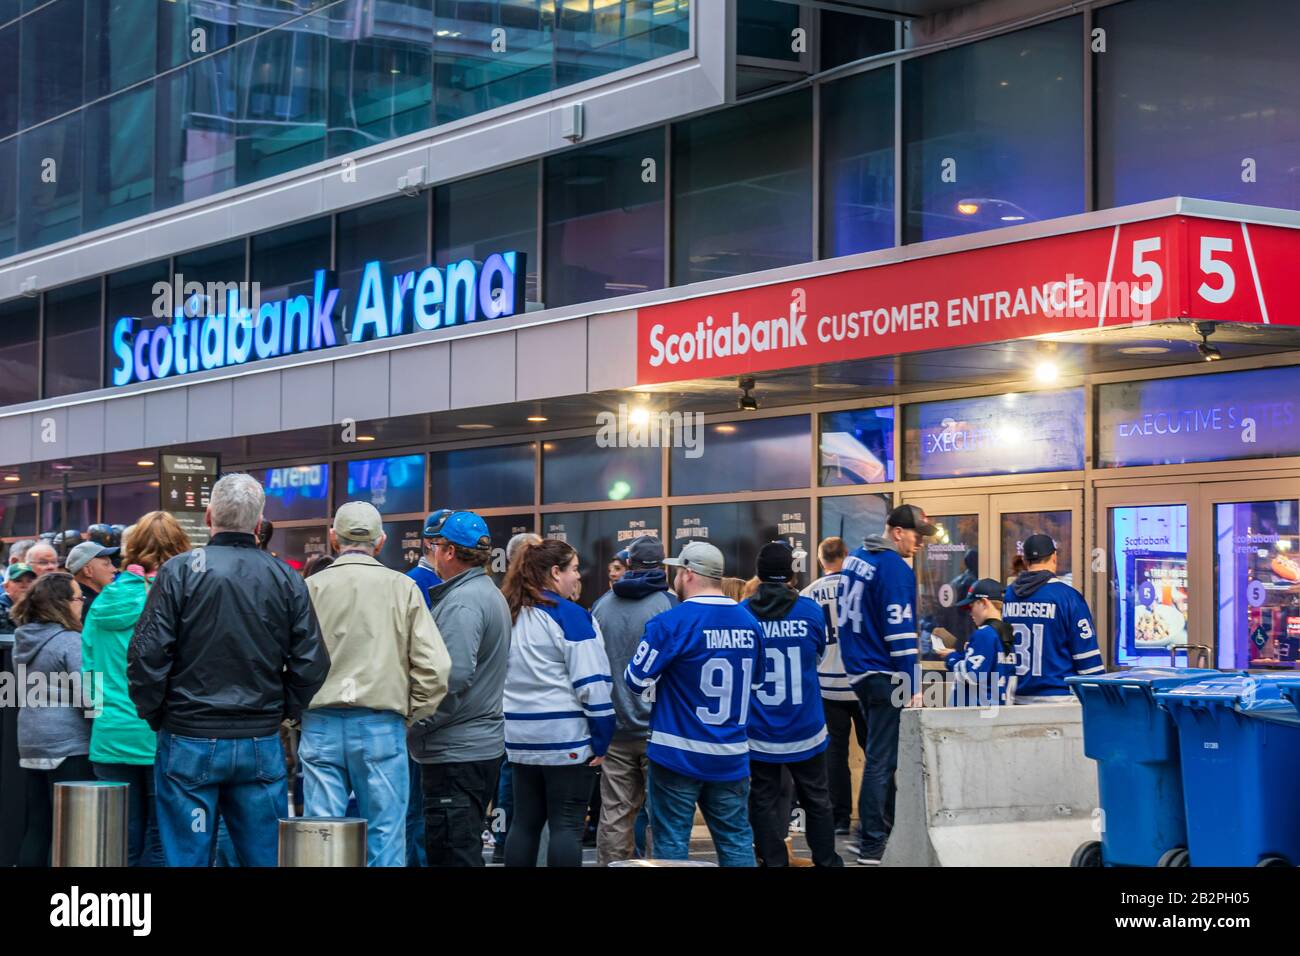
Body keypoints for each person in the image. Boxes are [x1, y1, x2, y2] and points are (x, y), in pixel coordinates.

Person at [128, 473, 330, 867]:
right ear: (258, 524)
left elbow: (146, 656)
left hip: (188, 734)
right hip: (259, 736)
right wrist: (284, 708)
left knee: (186, 855)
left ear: (207, 517)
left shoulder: (180, 571)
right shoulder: (285, 576)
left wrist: (158, 713)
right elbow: (311, 660)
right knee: (264, 856)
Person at [302, 501, 452, 867]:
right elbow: (436, 667)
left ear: (333, 538)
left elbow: (284, 660)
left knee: (322, 840)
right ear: (381, 540)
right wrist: (410, 712)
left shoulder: (309, 588)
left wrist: (294, 714)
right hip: (381, 723)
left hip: (319, 722)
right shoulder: (402, 588)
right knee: (385, 837)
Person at [625, 541, 763, 867]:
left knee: (671, 842)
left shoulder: (673, 622)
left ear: (688, 573)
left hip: (677, 752)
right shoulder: (749, 623)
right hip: (730, 753)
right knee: (736, 841)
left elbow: (635, 679)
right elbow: (755, 684)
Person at [81, 513, 191, 867]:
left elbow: (89, 675)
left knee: (117, 845)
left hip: (110, 735)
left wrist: (103, 714)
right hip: (162, 735)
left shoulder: (102, 601)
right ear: (179, 548)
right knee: (164, 842)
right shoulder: (177, 596)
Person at [407, 510, 512, 867]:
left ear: (449, 551)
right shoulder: (484, 593)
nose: (431, 553)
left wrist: (416, 724)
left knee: (453, 853)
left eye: (434, 545)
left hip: (455, 750)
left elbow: (450, 679)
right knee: (460, 847)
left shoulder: (463, 602)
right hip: (472, 747)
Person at [501, 539, 613, 867]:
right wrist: (603, 737)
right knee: (567, 827)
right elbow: (593, 686)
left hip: (519, 738)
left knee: (524, 823)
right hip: (566, 739)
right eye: (574, 569)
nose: (578, 577)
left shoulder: (511, 611)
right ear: (555, 572)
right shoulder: (572, 616)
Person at [837, 503, 934, 865]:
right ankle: (872, 843)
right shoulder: (895, 568)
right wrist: (912, 682)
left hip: (859, 670)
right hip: (883, 673)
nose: (919, 543)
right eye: (915, 535)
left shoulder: (858, 556)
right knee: (881, 760)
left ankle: (882, 833)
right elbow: (902, 635)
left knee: (880, 756)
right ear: (896, 532)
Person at [742, 541, 842, 868]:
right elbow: (819, 657)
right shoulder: (811, 610)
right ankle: (826, 860)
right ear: (790, 573)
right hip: (805, 725)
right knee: (817, 800)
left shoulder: (743, 614)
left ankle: (773, 862)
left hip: (760, 729)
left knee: (763, 800)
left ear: (758, 572)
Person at [590, 535, 677, 865]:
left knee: (614, 817)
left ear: (628, 564)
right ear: (663, 565)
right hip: (659, 728)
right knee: (661, 818)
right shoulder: (669, 605)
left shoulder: (601, 605)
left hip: (615, 727)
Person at [12, 572, 93, 866]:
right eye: (77, 597)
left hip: (31, 741)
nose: (82, 603)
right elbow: (91, 695)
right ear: (61, 603)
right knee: (72, 830)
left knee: (39, 827)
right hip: (69, 744)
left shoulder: (23, 638)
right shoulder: (70, 640)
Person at [801, 536, 863, 835]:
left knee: (835, 757)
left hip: (826, 684)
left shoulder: (809, 594)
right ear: (847, 555)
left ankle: (839, 819)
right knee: (875, 754)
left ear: (820, 559)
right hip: (861, 681)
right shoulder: (858, 587)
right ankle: (874, 818)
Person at [1002, 534, 1103, 703]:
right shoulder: (1067, 596)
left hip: (1018, 699)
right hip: (1059, 699)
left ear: (1026, 561)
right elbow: (1087, 658)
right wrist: (1101, 696)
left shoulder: (1010, 595)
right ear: (1054, 557)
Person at [936, 578, 1018, 707]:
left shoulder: (984, 634)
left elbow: (971, 675)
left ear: (984, 602)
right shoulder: (1007, 633)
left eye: (972, 605)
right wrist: (962, 656)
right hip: (998, 710)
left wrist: (950, 658)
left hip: (977, 715)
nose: (970, 612)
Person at [409, 510, 451, 609]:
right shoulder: (411, 582)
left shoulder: (457, 578)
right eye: (447, 538)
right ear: (428, 542)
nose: (454, 544)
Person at [65, 540, 119, 618]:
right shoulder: (87, 607)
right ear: (87, 571)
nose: (115, 570)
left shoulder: (97, 600)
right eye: (106, 564)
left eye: (112, 564)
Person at [1, 563, 36, 634]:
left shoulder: (39, 608)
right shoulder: (2, 608)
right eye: (18, 581)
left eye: (29, 581)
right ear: (6, 586)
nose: (25, 585)